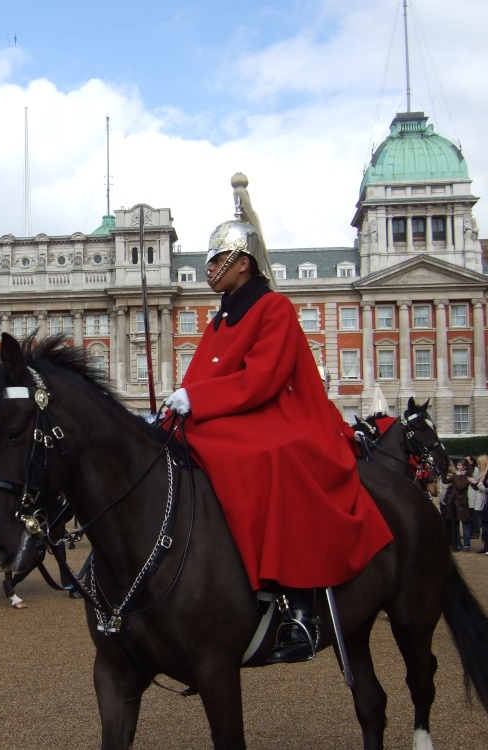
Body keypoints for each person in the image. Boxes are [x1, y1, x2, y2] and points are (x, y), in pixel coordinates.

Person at [161, 174, 393, 664]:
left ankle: (299, 604)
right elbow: (201, 376)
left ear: (242, 264)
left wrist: (197, 401)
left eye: (216, 261)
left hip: (282, 415)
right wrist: (177, 407)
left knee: (268, 456)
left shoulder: (275, 309)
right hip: (234, 410)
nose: (208, 270)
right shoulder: (221, 318)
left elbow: (263, 380)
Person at [444, 460, 471, 551]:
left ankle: (466, 544)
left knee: (465, 524)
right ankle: (457, 543)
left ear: (465, 467)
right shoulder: (455, 475)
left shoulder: (468, 476)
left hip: (461, 502)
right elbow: (445, 481)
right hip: (453, 501)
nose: (458, 467)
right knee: (454, 524)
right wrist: (444, 472)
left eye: (460, 465)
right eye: (458, 465)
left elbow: (460, 486)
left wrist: (458, 476)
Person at [469, 454, 488, 551]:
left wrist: (477, 483)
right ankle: (485, 544)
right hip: (480, 501)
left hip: (487, 502)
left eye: (479, 464)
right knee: (483, 524)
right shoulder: (480, 472)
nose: (477, 466)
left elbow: (487, 489)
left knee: (487, 524)